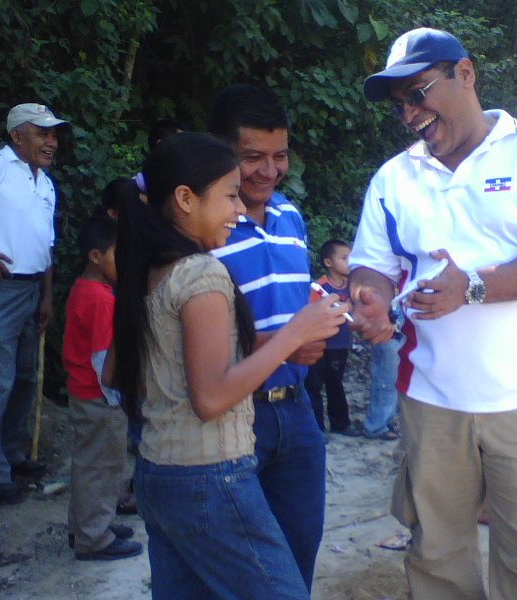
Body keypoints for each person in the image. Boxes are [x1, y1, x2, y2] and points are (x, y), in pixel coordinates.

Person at [351, 28, 517, 599]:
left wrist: (474, 287)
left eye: (418, 93)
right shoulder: (394, 178)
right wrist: (371, 300)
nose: (409, 114)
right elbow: (371, 266)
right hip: (430, 400)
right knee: (436, 558)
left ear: (465, 73)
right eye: (399, 104)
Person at [109, 132, 346, 598]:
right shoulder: (202, 273)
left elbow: (116, 373)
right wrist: (294, 334)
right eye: (230, 196)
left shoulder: (149, 269)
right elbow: (211, 398)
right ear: (185, 199)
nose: (239, 210)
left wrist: (265, 344)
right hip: (209, 475)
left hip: (158, 472)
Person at [207, 85, 327, 591]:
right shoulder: (202, 228)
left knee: (298, 557)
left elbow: (298, 307)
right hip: (232, 417)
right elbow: (182, 345)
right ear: (221, 152)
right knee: (239, 571)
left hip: (297, 412)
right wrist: (284, 341)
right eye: (252, 157)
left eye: (279, 156)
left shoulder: (290, 217)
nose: (269, 170)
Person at [0, 103, 69, 505]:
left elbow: (45, 245)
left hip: (31, 292)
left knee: (25, 378)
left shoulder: (44, 183)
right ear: (16, 135)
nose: (52, 142)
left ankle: (11, 454)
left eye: (54, 135)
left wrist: (46, 296)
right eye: (43, 133)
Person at [62, 215, 142, 561]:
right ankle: (94, 538)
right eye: (117, 255)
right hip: (99, 397)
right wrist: (116, 398)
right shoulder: (100, 299)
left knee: (90, 463)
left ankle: (87, 526)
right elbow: (101, 358)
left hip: (85, 392)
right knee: (103, 466)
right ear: (96, 256)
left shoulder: (86, 288)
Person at [304, 239, 359, 435]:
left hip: (340, 344)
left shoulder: (351, 286)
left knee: (336, 384)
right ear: (328, 262)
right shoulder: (319, 287)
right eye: (344, 258)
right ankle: (316, 428)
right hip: (320, 344)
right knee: (314, 386)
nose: (350, 262)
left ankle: (340, 424)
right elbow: (311, 312)